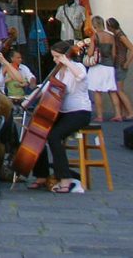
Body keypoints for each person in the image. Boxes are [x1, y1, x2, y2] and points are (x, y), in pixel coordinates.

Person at [31, 41, 93, 193]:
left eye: (57, 57)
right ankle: (42, 175)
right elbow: (45, 87)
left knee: (54, 136)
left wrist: (66, 62)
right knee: (37, 132)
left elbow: (81, 76)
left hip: (80, 112)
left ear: (65, 56)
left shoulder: (77, 67)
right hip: (62, 112)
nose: (54, 60)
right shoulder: (58, 72)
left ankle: (65, 178)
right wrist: (29, 99)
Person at [85, 16, 120, 122]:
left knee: (97, 91)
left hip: (98, 66)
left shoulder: (95, 36)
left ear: (94, 25)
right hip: (109, 66)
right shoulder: (111, 36)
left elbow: (90, 53)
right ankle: (118, 114)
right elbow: (114, 54)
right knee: (112, 91)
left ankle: (100, 116)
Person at [107, 18, 133, 121]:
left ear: (111, 26)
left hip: (120, 64)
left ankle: (131, 112)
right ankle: (125, 113)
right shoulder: (117, 35)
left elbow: (132, 49)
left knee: (119, 90)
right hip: (118, 64)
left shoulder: (120, 36)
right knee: (119, 90)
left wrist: (127, 63)